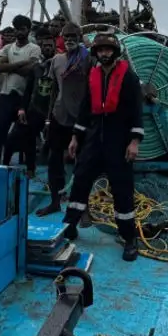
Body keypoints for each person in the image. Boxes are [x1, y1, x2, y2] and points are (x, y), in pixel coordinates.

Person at [62, 33, 144, 262]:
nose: (104, 53)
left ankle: (129, 238)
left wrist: (134, 141)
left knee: (122, 188)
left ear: (115, 52)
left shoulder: (128, 77)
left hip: (118, 140)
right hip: (93, 138)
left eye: (108, 50)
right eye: (100, 50)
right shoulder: (94, 74)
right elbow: (85, 108)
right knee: (80, 180)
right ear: (96, 53)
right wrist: (76, 137)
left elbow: (136, 111)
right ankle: (70, 225)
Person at [36, 22, 90, 216]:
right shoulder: (57, 60)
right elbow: (53, 91)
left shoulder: (88, 59)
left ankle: (84, 208)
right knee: (54, 161)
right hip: (59, 115)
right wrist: (48, 119)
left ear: (80, 38)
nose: (69, 41)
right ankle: (55, 202)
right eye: (66, 37)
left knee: (82, 164)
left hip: (81, 117)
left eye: (73, 37)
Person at [6, 30, 58, 177]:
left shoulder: (61, 65)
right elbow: (28, 90)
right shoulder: (36, 68)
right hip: (35, 108)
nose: (48, 48)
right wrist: (22, 108)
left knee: (55, 146)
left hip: (54, 111)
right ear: (41, 47)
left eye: (50, 46)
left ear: (55, 47)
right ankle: (25, 169)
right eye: (45, 45)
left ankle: (56, 179)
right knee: (18, 139)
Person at [0, 15, 41, 164]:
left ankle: (26, 167)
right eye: (16, 29)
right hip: (6, 96)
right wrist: (24, 63)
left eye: (22, 29)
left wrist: (10, 66)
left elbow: (29, 71)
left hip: (24, 98)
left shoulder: (35, 48)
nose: (19, 32)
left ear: (28, 30)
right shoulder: (7, 47)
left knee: (24, 135)